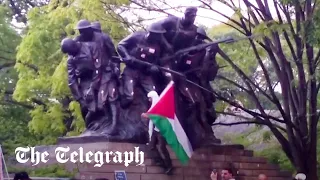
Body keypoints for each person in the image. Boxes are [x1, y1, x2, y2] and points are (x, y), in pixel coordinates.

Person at [73, 19, 120, 134]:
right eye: (80, 31)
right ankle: (91, 125)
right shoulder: (78, 41)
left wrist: (116, 68)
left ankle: (114, 125)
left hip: (106, 72)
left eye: (83, 31)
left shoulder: (103, 38)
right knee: (86, 102)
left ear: (89, 29)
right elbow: (73, 58)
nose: (81, 33)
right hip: (88, 76)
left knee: (110, 97)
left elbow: (114, 56)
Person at [117, 23, 167, 108]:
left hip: (145, 74)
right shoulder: (138, 36)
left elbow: (156, 60)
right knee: (129, 97)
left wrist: (153, 67)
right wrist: (127, 56)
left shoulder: (157, 46)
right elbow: (120, 45)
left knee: (154, 97)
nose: (159, 37)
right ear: (151, 33)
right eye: (158, 35)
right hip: (131, 71)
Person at [141, 91, 173, 175]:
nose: (149, 100)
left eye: (150, 98)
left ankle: (169, 166)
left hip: (162, 131)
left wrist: (148, 115)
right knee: (151, 147)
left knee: (162, 148)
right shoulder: (154, 106)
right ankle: (162, 163)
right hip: (156, 130)